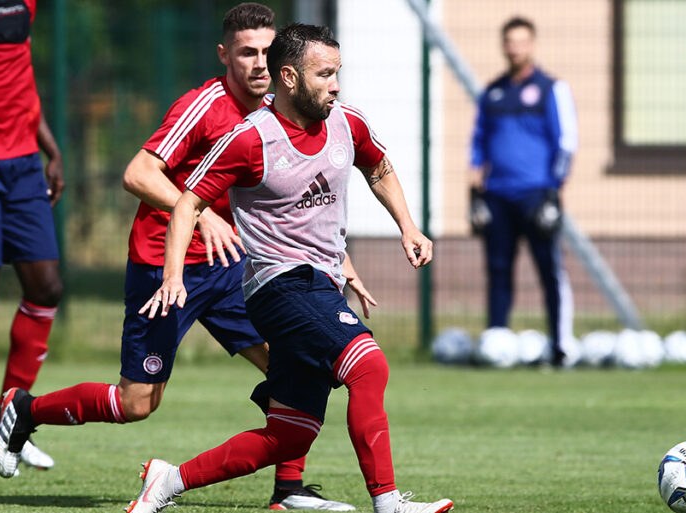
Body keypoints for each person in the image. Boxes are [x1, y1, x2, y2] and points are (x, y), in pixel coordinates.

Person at [0, 5, 370, 510]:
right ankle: (26, 409)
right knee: (136, 402)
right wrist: (200, 215)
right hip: (165, 267)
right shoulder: (203, 106)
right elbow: (137, 174)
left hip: (234, 268)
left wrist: (337, 259)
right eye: (247, 52)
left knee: (292, 364)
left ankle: (289, 489)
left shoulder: (282, 113)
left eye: (267, 51)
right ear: (224, 55)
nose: (259, 63)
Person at [79, 23, 451, 513]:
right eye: (324, 75)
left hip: (321, 282)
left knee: (291, 434)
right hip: (278, 284)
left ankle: (169, 481)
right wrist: (172, 276)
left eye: (337, 73)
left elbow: (378, 167)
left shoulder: (348, 123)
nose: (336, 85)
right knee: (368, 365)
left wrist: (407, 227)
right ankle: (389, 504)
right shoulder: (251, 139)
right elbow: (188, 203)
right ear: (290, 78)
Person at [0, 0, 64, 475]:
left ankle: (4, 424)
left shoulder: (24, 6)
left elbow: (19, 84)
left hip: (25, 162)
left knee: (46, 287)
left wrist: (51, 150)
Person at [469, 16, 578, 367]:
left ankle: (561, 347)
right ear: (503, 46)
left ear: (532, 45)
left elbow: (566, 144)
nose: (515, 48)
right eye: (510, 42)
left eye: (521, 41)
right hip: (498, 196)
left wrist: (553, 191)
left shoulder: (550, 88)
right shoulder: (493, 92)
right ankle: (496, 344)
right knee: (498, 271)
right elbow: (478, 145)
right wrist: (475, 192)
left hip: (536, 195)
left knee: (549, 270)